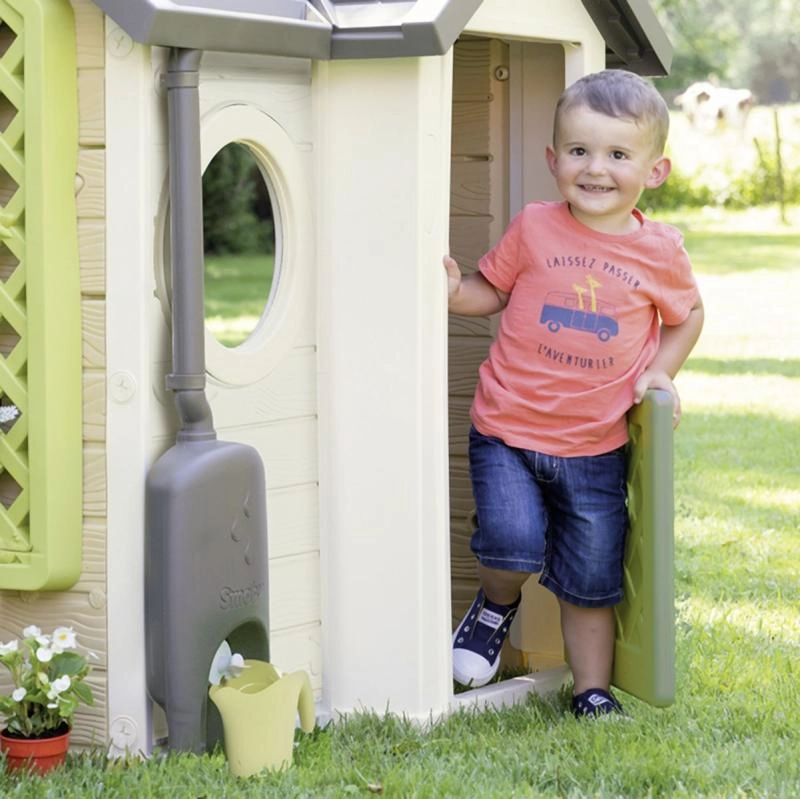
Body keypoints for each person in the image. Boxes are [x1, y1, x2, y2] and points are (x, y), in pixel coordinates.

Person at [444, 69, 704, 717]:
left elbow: (689, 314)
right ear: (553, 158)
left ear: (655, 171)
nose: (595, 168)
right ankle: (494, 605)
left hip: (596, 446)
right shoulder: (535, 227)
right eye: (580, 151)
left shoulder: (660, 251)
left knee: (592, 579)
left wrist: (662, 371)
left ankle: (591, 690)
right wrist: (451, 293)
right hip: (507, 428)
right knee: (510, 542)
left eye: (618, 154)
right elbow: (492, 289)